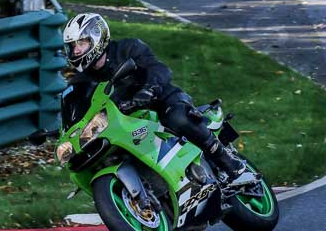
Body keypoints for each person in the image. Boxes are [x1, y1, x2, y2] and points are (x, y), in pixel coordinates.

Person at [61, 11, 247, 185]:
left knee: (177, 117)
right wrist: (62, 134)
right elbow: (77, 114)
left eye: (81, 43)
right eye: (72, 46)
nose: (76, 51)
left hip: (160, 100)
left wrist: (148, 89)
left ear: (96, 36)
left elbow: (159, 69)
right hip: (124, 122)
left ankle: (225, 159)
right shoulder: (80, 82)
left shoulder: (128, 48)